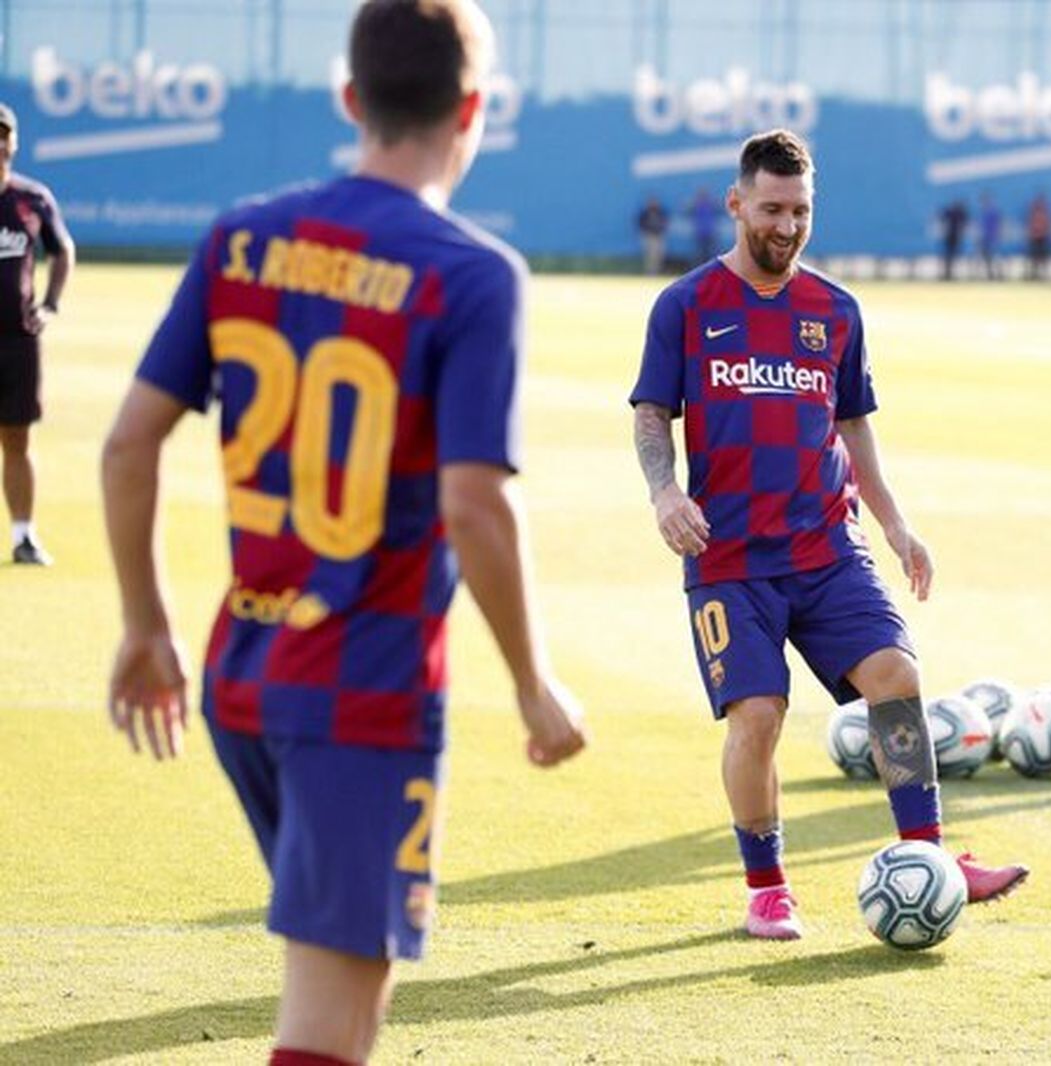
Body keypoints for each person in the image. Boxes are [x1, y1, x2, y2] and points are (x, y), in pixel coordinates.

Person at [100, 3, 587, 1063]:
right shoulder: (472, 273)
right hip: (361, 690)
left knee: (352, 994)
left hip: (244, 668)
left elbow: (127, 446)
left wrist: (145, 624)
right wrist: (531, 682)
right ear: (475, 109)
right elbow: (474, 502)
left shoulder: (242, 238)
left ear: (348, 98)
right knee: (326, 1022)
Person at [630, 129, 1027, 940]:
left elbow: (852, 427)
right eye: (771, 208)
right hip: (729, 559)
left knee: (897, 678)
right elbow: (650, 414)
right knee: (759, 715)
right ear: (737, 204)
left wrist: (895, 523)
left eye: (801, 210)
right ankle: (767, 887)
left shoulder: (836, 311)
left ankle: (930, 853)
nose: (786, 225)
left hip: (825, 545)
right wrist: (665, 491)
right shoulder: (685, 306)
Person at [0, 102, 73, 565]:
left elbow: (61, 250)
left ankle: (24, 535)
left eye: (3, 135)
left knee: (17, 438)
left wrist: (50, 303)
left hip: (17, 339)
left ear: (13, 143)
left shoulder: (31, 199)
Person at [938, 197, 969, 281]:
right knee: (949, 257)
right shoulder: (955, 212)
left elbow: (964, 224)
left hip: (954, 237)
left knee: (951, 257)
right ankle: (947, 274)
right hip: (951, 237)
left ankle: (949, 274)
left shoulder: (958, 213)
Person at [638, 195, 668, 275]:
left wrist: (661, 229)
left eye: (655, 201)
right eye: (651, 201)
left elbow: (665, 222)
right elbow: (641, 223)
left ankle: (658, 271)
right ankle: (650, 272)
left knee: (660, 255)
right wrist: (646, 232)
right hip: (649, 236)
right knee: (650, 255)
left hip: (659, 236)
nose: (653, 203)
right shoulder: (645, 212)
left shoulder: (660, 211)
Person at [690, 187, 719, 265]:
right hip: (702, 233)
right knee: (701, 253)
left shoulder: (710, 204)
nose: (703, 197)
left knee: (709, 253)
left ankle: (707, 267)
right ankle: (702, 267)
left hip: (708, 232)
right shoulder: (697, 205)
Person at [1025, 193, 1050, 280]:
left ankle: (1042, 274)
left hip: (1042, 238)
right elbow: (1031, 227)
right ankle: (1034, 274)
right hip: (1035, 238)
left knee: (1042, 258)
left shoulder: (1044, 215)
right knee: (1034, 258)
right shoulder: (1033, 215)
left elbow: (1046, 226)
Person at [978, 192, 1002, 280]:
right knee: (987, 258)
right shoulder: (983, 212)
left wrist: (996, 235)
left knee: (995, 257)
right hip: (985, 239)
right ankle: (990, 274)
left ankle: (999, 274)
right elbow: (982, 227)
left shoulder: (993, 211)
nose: (983, 203)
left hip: (992, 238)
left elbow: (998, 225)